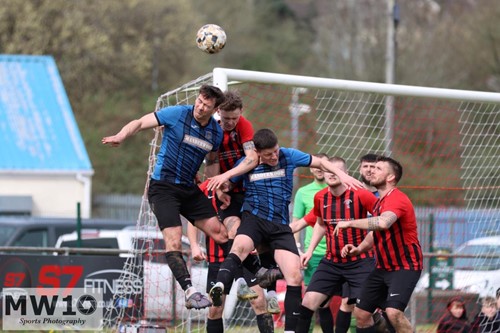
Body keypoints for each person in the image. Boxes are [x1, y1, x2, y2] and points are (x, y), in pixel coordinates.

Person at [209, 128, 364, 333]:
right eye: (268, 154)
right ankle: (219, 286)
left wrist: (342, 175)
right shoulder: (248, 163)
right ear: (257, 152)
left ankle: (290, 330)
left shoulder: (288, 155)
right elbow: (229, 183)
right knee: (239, 247)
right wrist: (222, 188)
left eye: (275, 150)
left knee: (295, 276)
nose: (274, 156)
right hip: (253, 219)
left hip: (280, 226)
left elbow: (321, 162)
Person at [102, 84, 228, 310]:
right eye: (199, 101)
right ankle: (190, 291)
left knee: (220, 233)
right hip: (163, 188)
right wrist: (122, 135)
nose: (199, 107)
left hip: (189, 189)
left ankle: (253, 275)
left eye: (206, 105)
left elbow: (211, 161)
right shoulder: (177, 114)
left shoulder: (216, 133)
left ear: (215, 109)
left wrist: (216, 187)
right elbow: (140, 122)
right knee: (174, 240)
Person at [335, 156, 423, 333]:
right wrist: (359, 248)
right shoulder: (379, 203)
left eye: (378, 169)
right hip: (382, 267)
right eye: (371, 168)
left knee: (393, 313)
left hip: (405, 266)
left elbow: (383, 223)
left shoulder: (397, 198)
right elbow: (376, 233)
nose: (372, 171)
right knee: (361, 313)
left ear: (390, 177)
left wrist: (349, 222)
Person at [294, 157, 378, 333]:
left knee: (362, 313)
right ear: (323, 174)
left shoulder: (361, 194)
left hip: (360, 262)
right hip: (331, 262)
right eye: (328, 171)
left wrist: (366, 243)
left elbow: (382, 220)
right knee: (308, 302)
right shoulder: (320, 197)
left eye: (336, 171)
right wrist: (309, 251)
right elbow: (320, 224)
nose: (332, 175)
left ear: (345, 174)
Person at [188, 179, 274, 333]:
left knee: (259, 301)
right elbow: (192, 218)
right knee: (215, 307)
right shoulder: (205, 188)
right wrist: (194, 245)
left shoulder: (243, 183)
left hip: (243, 256)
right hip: (218, 257)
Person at [290, 153, 333, 333]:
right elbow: (297, 224)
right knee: (311, 300)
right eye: (316, 165)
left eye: (323, 165)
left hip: (337, 254)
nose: (319, 169)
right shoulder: (303, 192)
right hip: (313, 254)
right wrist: (297, 250)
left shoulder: (338, 190)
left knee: (340, 303)